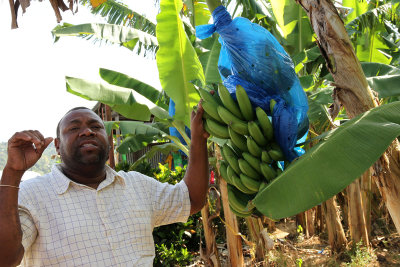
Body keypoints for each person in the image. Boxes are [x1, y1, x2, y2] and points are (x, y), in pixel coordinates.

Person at [0, 104, 210, 266]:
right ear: (57, 145)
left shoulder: (137, 186)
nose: (87, 132)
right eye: (74, 128)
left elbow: (191, 199)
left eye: (95, 127)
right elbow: (5, 258)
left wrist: (198, 140)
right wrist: (13, 172)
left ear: (108, 140)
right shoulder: (32, 195)